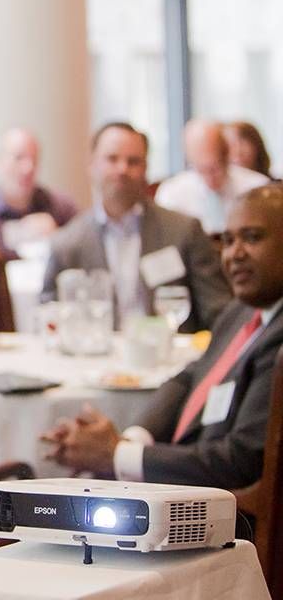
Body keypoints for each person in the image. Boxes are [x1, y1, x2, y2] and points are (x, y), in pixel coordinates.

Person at [40, 185, 283, 490]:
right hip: (189, 486)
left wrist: (118, 455)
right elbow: (192, 376)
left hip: (219, 513)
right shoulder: (241, 312)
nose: (234, 254)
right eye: (228, 240)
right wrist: (132, 439)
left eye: (252, 237)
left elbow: (241, 461)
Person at [41, 122, 230, 332]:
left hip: (172, 359)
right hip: (96, 360)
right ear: (92, 165)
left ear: (145, 168)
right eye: (112, 159)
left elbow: (221, 315)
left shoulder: (184, 231)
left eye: (133, 161)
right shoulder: (68, 244)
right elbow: (49, 317)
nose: (122, 169)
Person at [0, 127, 79, 257]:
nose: (28, 168)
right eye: (19, 158)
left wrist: (58, 237)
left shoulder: (61, 207)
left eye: (34, 159)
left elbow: (87, 251)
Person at [156, 119, 270, 234]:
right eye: (201, 170)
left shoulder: (257, 187)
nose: (210, 178)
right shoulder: (172, 194)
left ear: (227, 155)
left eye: (215, 169)